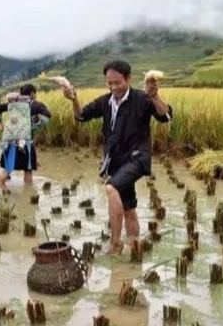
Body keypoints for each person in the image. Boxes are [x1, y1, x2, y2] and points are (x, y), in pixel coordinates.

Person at [63, 60, 173, 254]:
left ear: (128, 79)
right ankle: (134, 246)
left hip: (137, 158)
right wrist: (74, 99)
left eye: (118, 82)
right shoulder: (105, 102)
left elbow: (166, 116)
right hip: (116, 162)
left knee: (111, 187)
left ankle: (115, 244)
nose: (114, 87)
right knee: (129, 208)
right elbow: (81, 116)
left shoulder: (141, 99)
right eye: (109, 83)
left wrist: (155, 96)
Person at [0, 84, 51, 186]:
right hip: (26, 144)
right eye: (35, 94)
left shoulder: (13, 103)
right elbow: (47, 115)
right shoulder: (34, 104)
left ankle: (2, 194)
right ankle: (27, 196)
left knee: (5, 171)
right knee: (28, 172)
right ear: (32, 93)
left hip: (11, 144)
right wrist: (36, 126)